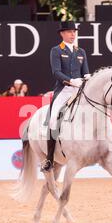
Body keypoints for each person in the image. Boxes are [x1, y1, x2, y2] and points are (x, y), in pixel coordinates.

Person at [40, 21, 90, 172]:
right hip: (64, 90)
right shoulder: (56, 50)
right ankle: (49, 158)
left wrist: (88, 79)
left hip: (80, 90)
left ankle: (107, 149)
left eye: (74, 32)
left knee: (98, 111)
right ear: (62, 34)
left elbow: (86, 72)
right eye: (69, 32)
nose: (72, 34)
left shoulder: (81, 51)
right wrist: (71, 81)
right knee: (54, 119)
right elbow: (56, 72)